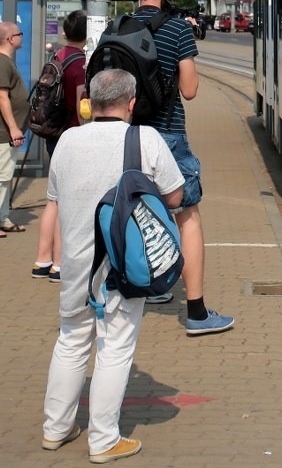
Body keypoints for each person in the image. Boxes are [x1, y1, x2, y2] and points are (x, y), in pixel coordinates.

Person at [42, 69, 184, 463]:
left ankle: (56, 428)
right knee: (115, 348)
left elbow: (56, 196)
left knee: (70, 340)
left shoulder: (68, 140)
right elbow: (174, 197)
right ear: (132, 102)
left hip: (74, 265)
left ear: (90, 100)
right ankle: (104, 440)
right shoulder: (145, 139)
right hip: (120, 265)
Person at [133, 0, 234, 334]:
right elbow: (190, 91)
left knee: (136, 211)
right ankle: (196, 312)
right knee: (186, 214)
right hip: (167, 134)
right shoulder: (177, 29)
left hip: (127, 136)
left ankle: (146, 290)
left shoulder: (119, 27)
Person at [32, 10, 88, 281]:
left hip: (53, 132)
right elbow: (81, 108)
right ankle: (59, 264)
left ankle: (41, 261)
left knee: (52, 200)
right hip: (71, 135)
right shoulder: (80, 65)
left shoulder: (56, 56)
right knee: (67, 201)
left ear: (66, 32)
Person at [0, 21, 29, 236]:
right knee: (1, 177)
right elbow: (2, 97)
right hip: (4, 133)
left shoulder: (7, 62)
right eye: (19, 33)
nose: (22, 36)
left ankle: (3, 217)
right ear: (10, 39)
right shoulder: (3, 63)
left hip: (7, 133)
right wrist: (13, 128)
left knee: (5, 176)